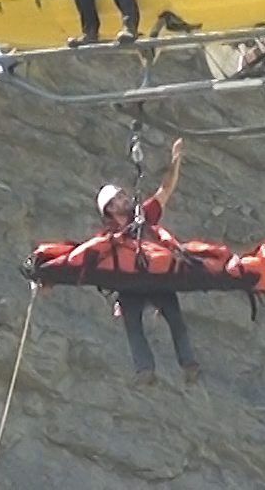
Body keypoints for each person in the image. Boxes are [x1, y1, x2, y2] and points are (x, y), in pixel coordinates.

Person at [95, 138, 199, 386]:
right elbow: (99, 266)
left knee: (175, 319)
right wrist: (114, 298)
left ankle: (189, 364)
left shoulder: (143, 216)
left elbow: (165, 190)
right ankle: (145, 370)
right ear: (110, 209)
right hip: (129, 283)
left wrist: (176, 160)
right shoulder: (108, 237)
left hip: (154, 276)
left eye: (122, 195)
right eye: (118, 198)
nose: (124, 199)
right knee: (133, 326)